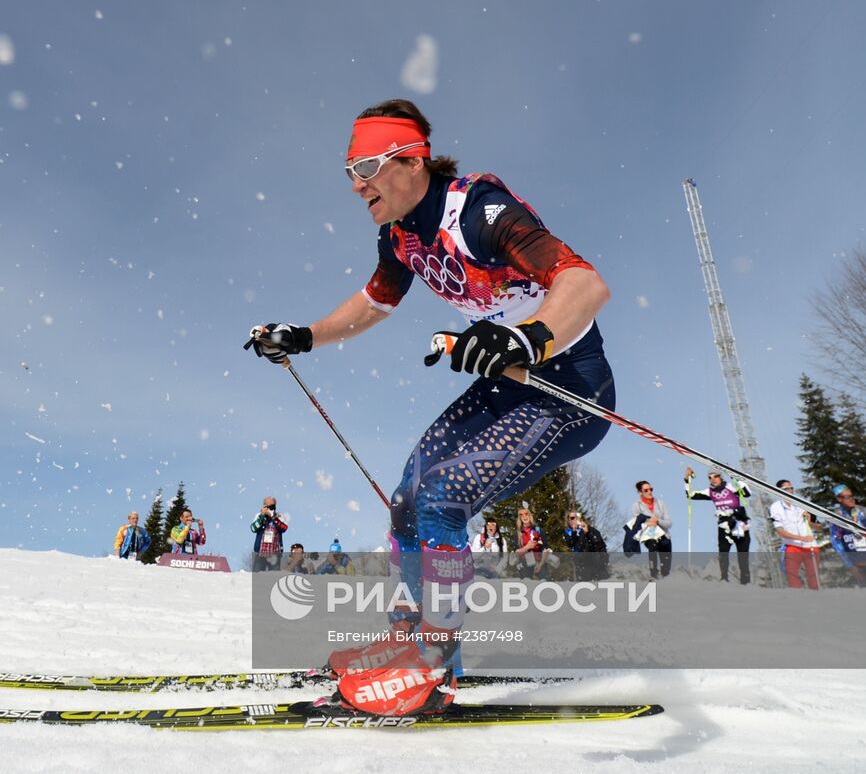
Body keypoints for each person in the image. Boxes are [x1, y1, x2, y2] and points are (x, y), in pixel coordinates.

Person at [245, 99, 614, 717]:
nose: (356, 183)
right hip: (508, 381)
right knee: (407, 503)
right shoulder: (400, 234)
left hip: (567, 387)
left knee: (443, 500)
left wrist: (529, 336)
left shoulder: (478, 209)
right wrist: (306, 334)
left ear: (411, 160)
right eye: (348, 170)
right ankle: (416, 634)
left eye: (366, 164)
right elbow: (376, 301)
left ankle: (436, 665)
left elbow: (585, 282)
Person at [684, 467, 753, 584]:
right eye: (710, 477)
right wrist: (687, 480)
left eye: (715, 476)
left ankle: (745, 582)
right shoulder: (710, 491)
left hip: (738, 523)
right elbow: (690, 495)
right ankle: (724, 579)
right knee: (723, 553)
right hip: (724, 525)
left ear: (721, 477)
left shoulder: (731, 487)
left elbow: (747, 493)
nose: (713, 479)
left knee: (743, 555)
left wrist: (735, 477)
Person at [770, 478, 821, 590]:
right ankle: (798, 598)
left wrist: (810, 521)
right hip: (793, 545)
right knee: (792, 576)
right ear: (778, 491)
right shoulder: (776, 507)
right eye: (786, 489)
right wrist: (801, 538)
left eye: (791, 488)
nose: (790, 491)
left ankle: (817, 599)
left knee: (813, 578)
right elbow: (780, 531)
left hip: (810, 545)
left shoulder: (801, 504)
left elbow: (819, 526)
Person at [626, 481, 672, 579]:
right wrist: (648, 523)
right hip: (648, 534)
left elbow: (669, 523)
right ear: (640, 492)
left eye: (651, 489)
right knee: (653, 545)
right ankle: (653, 573)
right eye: (646, 490)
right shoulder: (636, 506)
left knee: (666, 568)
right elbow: (635, 525)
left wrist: (657, 520)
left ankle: (665, 576)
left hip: (664, 535)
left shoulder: (660, 503)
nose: (649, 492)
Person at [563, 511, 609, 581]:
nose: (575, 520)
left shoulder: (591, 530)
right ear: (569, 520)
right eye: (572, 518)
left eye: (577, 517)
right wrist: (574, 531)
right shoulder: (568, 531)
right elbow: (571, 543)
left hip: (596, 561)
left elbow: (599, 544)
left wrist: (588, 532)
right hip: (581, 561)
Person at [250, 496, 290, 572]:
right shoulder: (259, 516)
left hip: (275, 554)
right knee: (258, 577)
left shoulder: (280, 516)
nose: (269, 508)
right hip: (261, 553)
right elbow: (253, 528)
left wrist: (274, 517)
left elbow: (284, 528)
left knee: (273, 578)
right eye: (267, 506)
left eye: (272, 506)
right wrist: (262, 516)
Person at [514, 508, 550, 579]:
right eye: (521, 515)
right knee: (527, 584)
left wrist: (540, 565)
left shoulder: (539, 530)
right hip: (524, 562)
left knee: (546, 583)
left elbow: (546, 549)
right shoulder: (518, 533)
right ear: (519, 518)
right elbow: (516, 553)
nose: (524, 516)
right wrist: (527, 547)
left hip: (540, 561)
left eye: (526, 514)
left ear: (530, 515)